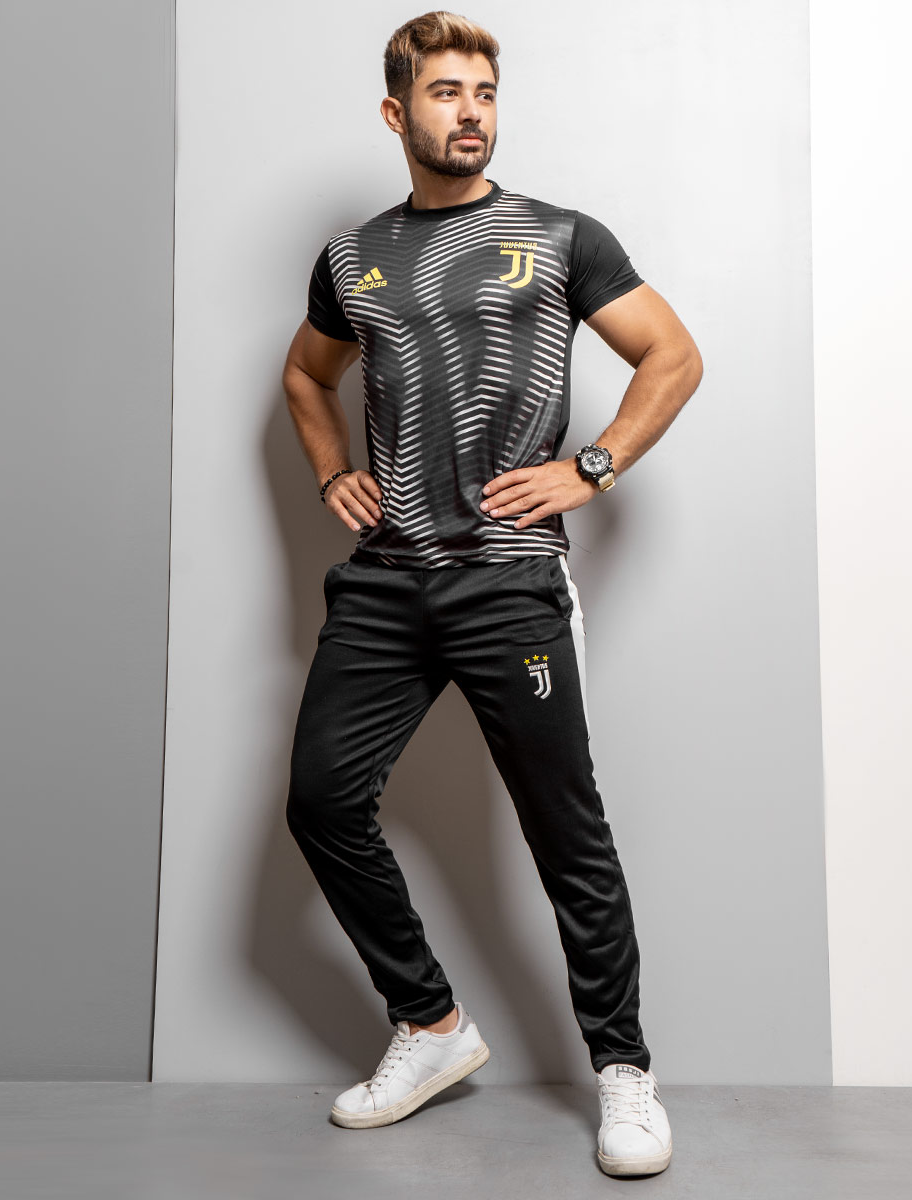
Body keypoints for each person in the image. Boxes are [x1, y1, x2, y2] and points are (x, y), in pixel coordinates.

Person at [282, 10, 702, 1178]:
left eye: (484, 92)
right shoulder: (352, 257)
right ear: (396, 112)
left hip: (508, 584)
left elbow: (672, 355)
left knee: (567, 835)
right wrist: (331, 469)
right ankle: (429, 1026)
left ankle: (623, 1072)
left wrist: (593, 465)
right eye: (445, 92)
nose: (470, 112)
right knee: (321, 801)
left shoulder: (560, 237)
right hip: (386, 584)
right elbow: (307, 375)